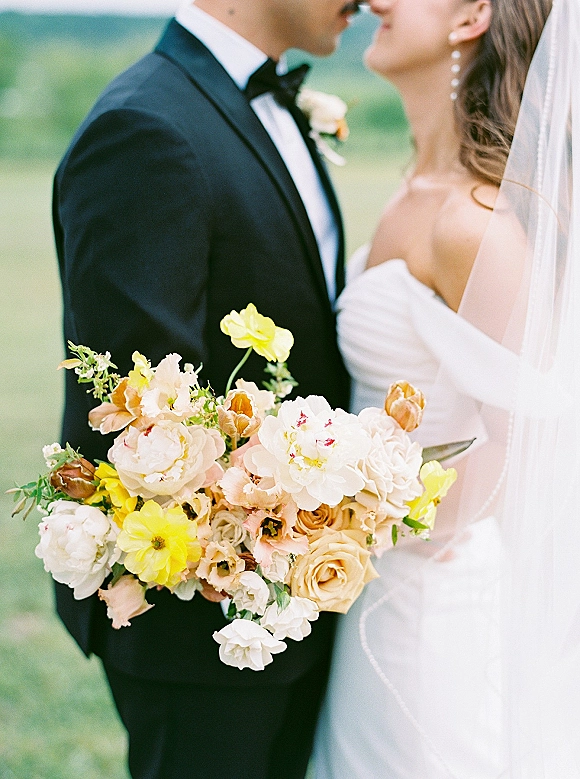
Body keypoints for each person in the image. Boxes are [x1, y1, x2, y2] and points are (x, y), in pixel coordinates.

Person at [51, 1, 361, 777]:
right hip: (202, 629)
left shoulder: (266, 104)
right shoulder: (144, 129)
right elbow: (145, 425)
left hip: (300, 599)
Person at [312, 0, 579, 776]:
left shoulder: (472, 222)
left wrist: (341, 523)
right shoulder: (420, 187)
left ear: (471, 17)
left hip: (428, 605)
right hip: (376, 589)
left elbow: (526, 441)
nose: (375, 4)